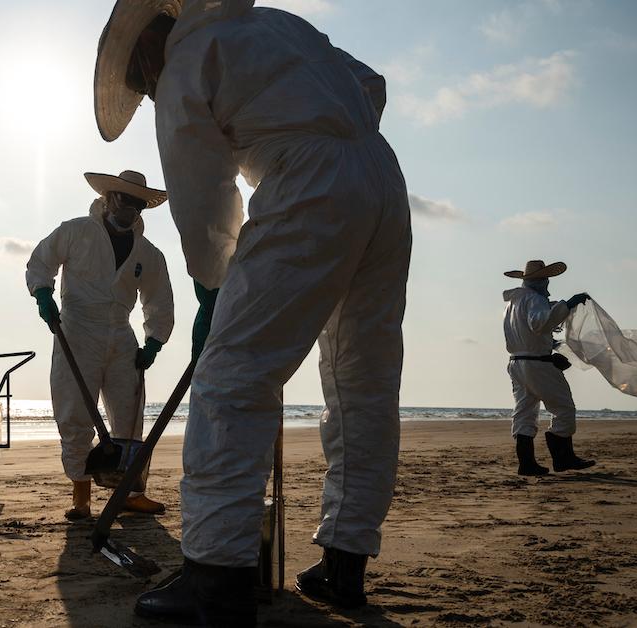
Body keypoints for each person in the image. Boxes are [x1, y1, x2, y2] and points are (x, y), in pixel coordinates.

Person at [93, 1, 412, 623]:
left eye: (141, 82)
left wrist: (215, 288)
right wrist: (325, 122)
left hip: (307, 181)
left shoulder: (185, 62)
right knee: (362, 380)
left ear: (148, 49)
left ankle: (216, 576)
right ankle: (345, 566)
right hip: (381, 176)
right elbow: (370, 83)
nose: (148, 92)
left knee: (231, 375)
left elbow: (203, 198)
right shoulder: (275, 24)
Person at [26, 170, 175, 520]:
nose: (131, 208)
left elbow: (159, 299)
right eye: (125, 199)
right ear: (108, 198)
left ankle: (131, 491)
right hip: (76, 330)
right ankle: (81, 495)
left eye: (139, 203)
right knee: (75, 413)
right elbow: (41, 261)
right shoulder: (76, 230)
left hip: (122, 337)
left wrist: (154, 340)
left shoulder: (148, 253)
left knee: (129, 416)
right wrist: (43, 292)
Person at [503, 259, 595, 476]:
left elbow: (529, 330)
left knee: (524, 412)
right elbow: (539, 324)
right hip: (537, 364)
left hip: (517, 363)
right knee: (563, 407)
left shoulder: (513, 303)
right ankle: (563, 458)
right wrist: (568, 304)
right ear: (539, 280)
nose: (547, 284)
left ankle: (526, 464)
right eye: (545, 279)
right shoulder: (534, 299)